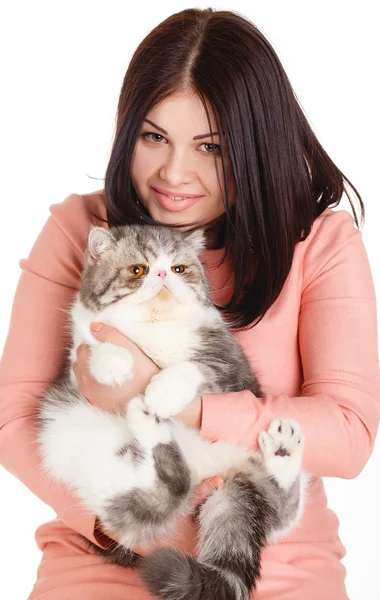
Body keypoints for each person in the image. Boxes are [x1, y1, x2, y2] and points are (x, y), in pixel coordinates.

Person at [0, 6, 379, 600]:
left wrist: (180, 404)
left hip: (270, 565)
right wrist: (126, 524)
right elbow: (13, 416)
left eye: (211, 146)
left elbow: (350, 434)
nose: (175, 174)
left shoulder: (320, 243)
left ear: (256, 147)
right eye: (155, 137)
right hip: (105, 556)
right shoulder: (84, 231)